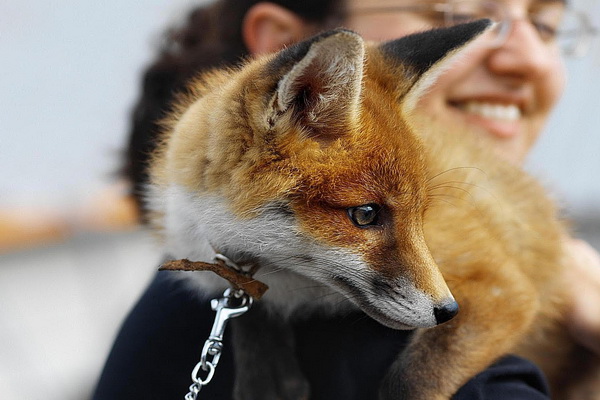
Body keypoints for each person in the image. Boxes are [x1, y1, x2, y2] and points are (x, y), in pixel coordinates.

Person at [96, 0, 600, 399]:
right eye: (455, 11)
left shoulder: (170, 309)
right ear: (294, 65)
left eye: (547, 24)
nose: (527, 57)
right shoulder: (464, 380)